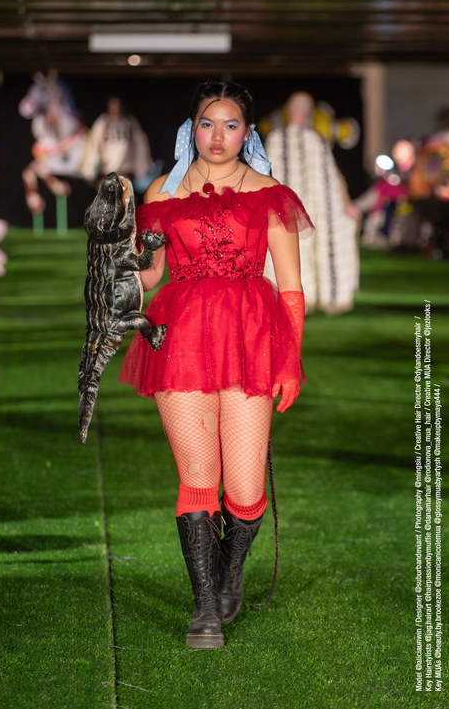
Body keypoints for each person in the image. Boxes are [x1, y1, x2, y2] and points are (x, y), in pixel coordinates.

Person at [118, 82, 314, 649]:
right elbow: (151, 274)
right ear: (192, 128)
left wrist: (290, 362)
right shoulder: (163, 188)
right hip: (180, 338)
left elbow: (291, 289)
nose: (219, 136)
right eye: (208, 123)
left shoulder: (270, 193)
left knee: (246, 491)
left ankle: (230, 571)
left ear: (247, 132)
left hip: (251, 339)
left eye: (231, 125)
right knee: (199, 477)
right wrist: (121, 259)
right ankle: (204, 604)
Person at [265, 91, 359, 314]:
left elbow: (264, 175)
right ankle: (316, 296)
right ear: (310, 112)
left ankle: (290, 297)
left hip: (285, 208)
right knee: (314, 247)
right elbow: (333, 177)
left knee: (288, 250)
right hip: (316, 208)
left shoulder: (276, 139)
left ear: (288, 110)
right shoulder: (316, 139)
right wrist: (346, 204)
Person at [82, 97, 154, 189]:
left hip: (125, 168)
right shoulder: (102, 122)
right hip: (106, 168)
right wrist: (90, 168)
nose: (115, 109)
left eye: (117, 106)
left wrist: (142, 167)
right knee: (105, 194)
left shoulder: (130, 121)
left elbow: (140, 144)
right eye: (112, 105)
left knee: (124, 193)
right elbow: (94, 143)